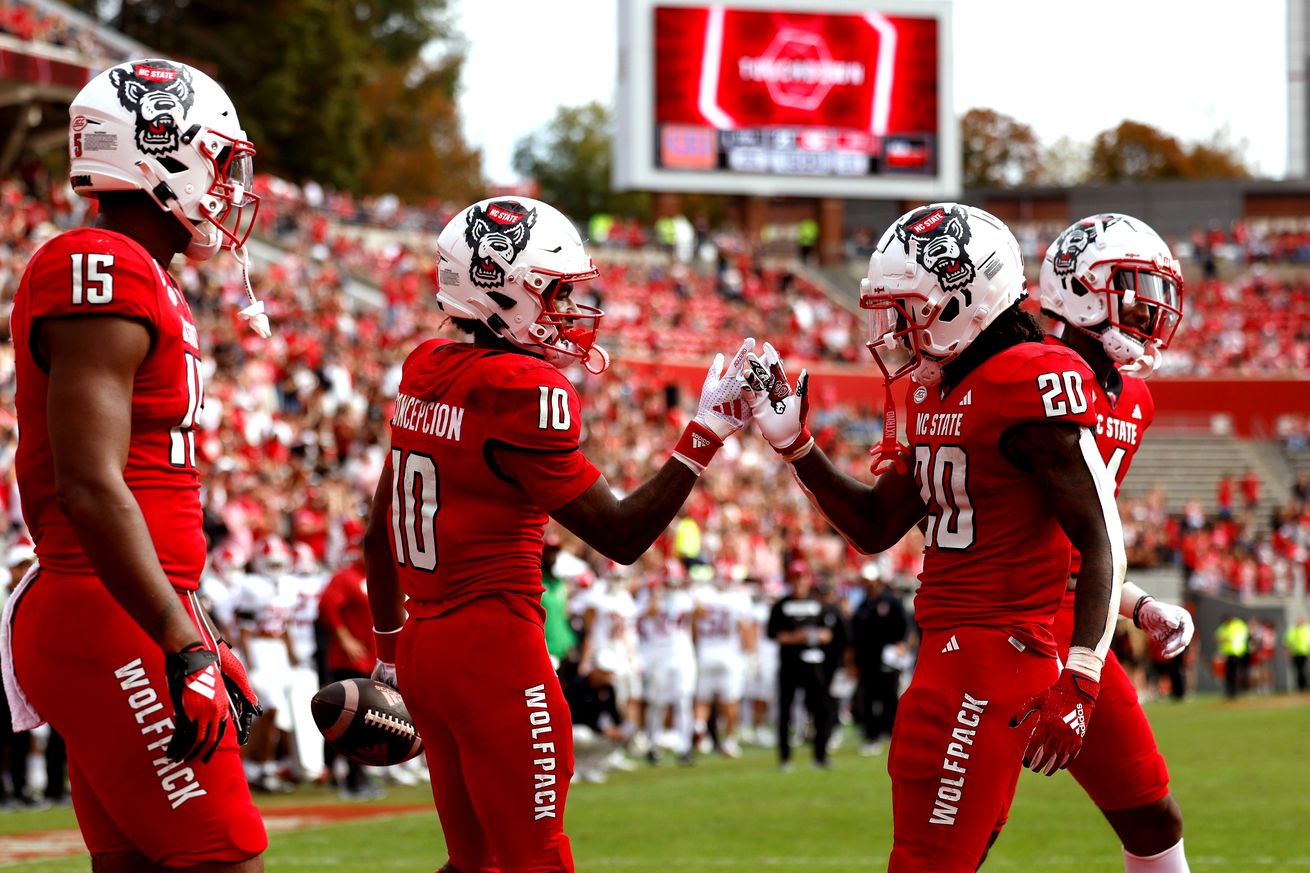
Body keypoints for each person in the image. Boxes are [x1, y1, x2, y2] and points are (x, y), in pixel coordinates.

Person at [362, 196, 755, 873]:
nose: (569, 310)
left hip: (425, 642)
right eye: (555, 292)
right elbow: (620, 534)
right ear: (500, 289)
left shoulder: (425, 366)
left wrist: (390, 652)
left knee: (474, 862)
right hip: (494, 648)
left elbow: (378, 533)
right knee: (535, 858)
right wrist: (704, 436)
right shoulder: (520, 386)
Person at [742, 203, 1125, 871]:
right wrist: (797, 446)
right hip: (947, 650)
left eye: (908, 307)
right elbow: (875, 525)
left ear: (963, 297)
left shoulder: (1030, 375)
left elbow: (1103, 537)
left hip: (994, 655)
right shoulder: (937, 389)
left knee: (926, 861)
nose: (893, 326)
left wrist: (1085, 674)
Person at [3, 59, 266, 870]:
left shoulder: (142, 273)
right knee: (228, 859)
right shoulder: (100, 263)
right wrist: (178, 640)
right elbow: (88, 480)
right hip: (104, 605)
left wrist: (198, 629)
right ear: (159, 150)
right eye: (216, 163)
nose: (226, 189)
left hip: (128, 602)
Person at [1038, 212, 1195, 872]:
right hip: (994, 618)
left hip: (1073, 622)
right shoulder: (1029, 371)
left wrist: (1138, 605)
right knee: (966, 833)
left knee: (1152, 814)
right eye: (1134, 294)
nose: (1150, 315)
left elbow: (1080, 544)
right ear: (1080, 287)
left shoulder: (1132, 398)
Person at [766, 569, 843, 770]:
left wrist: (815, 635)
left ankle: (820, 755)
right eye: (796, 578)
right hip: (790, 665)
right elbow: (775, 635)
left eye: (802, 577)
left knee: (821, 709)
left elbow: (829, 633)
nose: (799, 582)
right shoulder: (781, 605)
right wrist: (797, 637)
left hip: (814, 664)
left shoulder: (819, 604)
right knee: (785, 711)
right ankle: (785, 758)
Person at [850, 561, 908, 757]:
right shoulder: (862, 606)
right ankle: (871, 736)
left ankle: (890, 732)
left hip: (889, 659)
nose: (869, 585)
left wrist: (902, 644)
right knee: (867, 698)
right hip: (868, 660)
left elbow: (906, 626)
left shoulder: (891, 602)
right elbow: (856, 636)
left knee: (890, 696)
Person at [1216, 614, 1249, 698]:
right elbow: (1217, 638)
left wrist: (1226, 639)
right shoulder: (1223, 627)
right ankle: (1231, 691)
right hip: (1228, 653)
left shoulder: (1238, 625)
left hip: (1238, 652)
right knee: (1229, 673)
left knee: (1237, 672)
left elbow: (1241, 637)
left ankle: (1237, 690)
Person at [1286, 616, 1310, 692]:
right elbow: (1288, 642)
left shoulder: (1307, 630)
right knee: (1299, 671)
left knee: (1305, 670)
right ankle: (1301, 687)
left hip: (1305, 653)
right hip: (1296, 653)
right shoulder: (1293, 630)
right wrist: (1288, 652)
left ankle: (1306, 686)